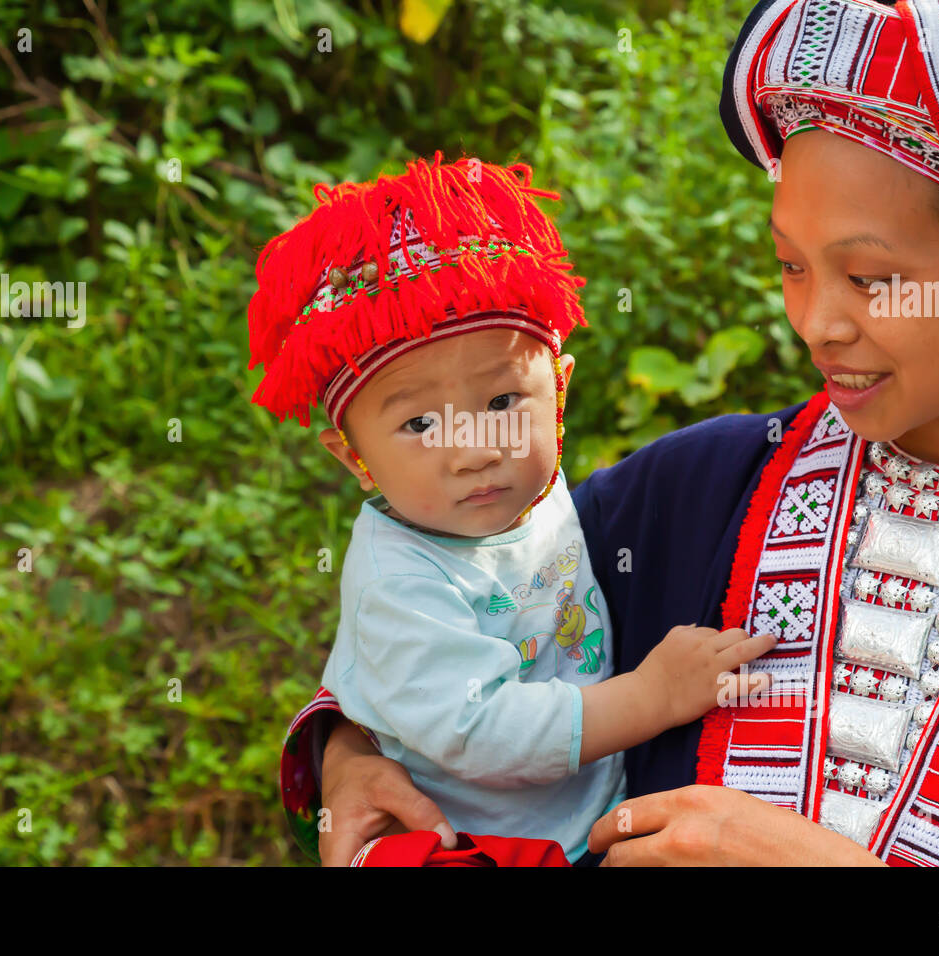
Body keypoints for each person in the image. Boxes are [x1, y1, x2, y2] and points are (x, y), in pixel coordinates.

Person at [280, 0, 939, 866]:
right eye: (790, 266)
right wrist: (349, 748)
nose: (817, 325)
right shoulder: (698, 490)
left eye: (870, 278)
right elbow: (460, 599)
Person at [251, 155, 774, 865]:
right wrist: (652, 697)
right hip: (479, 843)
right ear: (354, 457)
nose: (473, 450)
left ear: (557, 389)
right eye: (420, 425)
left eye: (502, 402)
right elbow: (480, 729)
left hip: (586, 806)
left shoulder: (530, 490)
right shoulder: (397, 579)